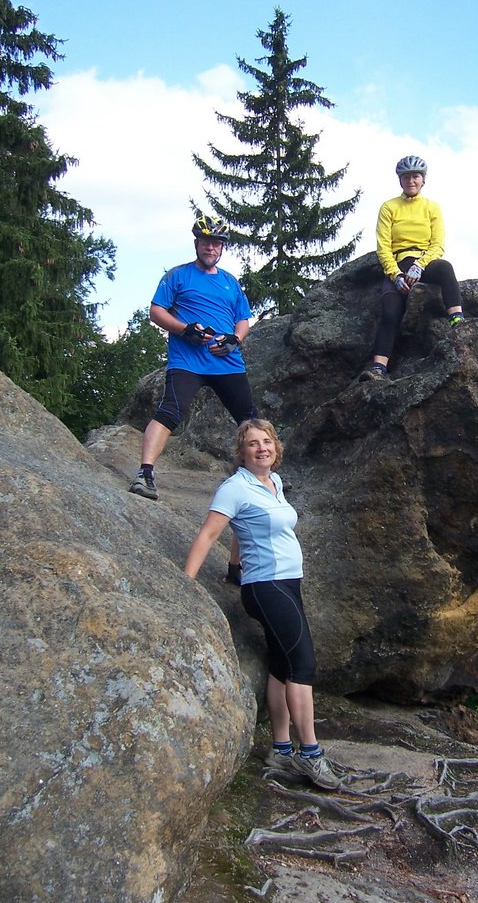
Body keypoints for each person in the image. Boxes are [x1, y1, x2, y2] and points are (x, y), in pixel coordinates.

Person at [184, 418, 341, 792]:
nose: (261, 448)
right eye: (252, 444)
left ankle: (281, 748)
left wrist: (234, 567)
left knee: (282, 665)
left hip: (287, 583)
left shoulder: (273, 483)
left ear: (275, 446)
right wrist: (185, 583)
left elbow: (243, 530)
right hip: (267, 587)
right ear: (242, 451)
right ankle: (310, 754)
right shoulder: (233, 488)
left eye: (266, 441)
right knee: (303, 666)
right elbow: (209, 533)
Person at [129, 213, 257, 582]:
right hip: (187, 359)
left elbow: (244, 319)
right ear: (196, 244)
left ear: (222, 247)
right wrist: (185, 329)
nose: (211, 247)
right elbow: (155, 311)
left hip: (226, 361)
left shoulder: (232, 283)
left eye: (217, 243)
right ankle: (145, 474)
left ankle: (264, 475)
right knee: (171, 410)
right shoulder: (178, 276)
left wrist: (236, 339)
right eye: (206, 242)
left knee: (251, 419)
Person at [359, 155, 465, 382]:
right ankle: (379, 368)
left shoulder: (432, 208)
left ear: (423, 180)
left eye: (415, 176)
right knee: (389, 312)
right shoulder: (389, 207)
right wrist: (395, 274)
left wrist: (420, 265)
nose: (411, 181)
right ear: (400, 181)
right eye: (406, 177)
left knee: (445, 269)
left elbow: (438, 244)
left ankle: (457, 322)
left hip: (424, 262)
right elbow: (383, 247)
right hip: (398, 263)